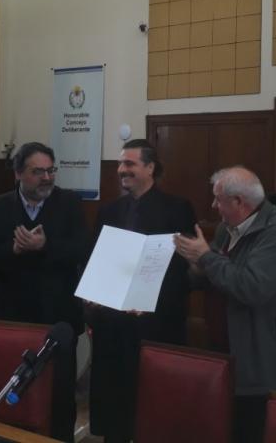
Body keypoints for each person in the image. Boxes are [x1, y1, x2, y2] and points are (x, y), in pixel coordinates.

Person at [174, 166, 276, 443]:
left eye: (218, 199)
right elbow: (215, 274)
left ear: (239, 202)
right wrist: (196, 265)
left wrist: (206, 258)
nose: (213, 205)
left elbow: (252, 287)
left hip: (274, 366)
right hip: (233, 356)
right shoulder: (226, 228)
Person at [0, 142, 87, 443]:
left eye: (50, 170)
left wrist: (44, 246)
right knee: (12, 395)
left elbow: (82, 250)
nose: (47, 178)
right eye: (38, 172)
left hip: (57, 320)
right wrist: (12, 250)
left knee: (60, 398)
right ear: (19, 173)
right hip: (10, 319)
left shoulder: (69, 203)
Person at [87, 139, 196, 443]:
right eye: (120, 164)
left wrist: (147, 299)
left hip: (156, 325)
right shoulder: (109, 211)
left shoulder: (178, 209)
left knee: (153, 405)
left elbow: (183, 269)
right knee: (114, 410)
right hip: (112, 326)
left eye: (130, 163)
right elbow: (97, 261)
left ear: (150, 168)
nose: (122, 170)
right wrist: (93, 296)